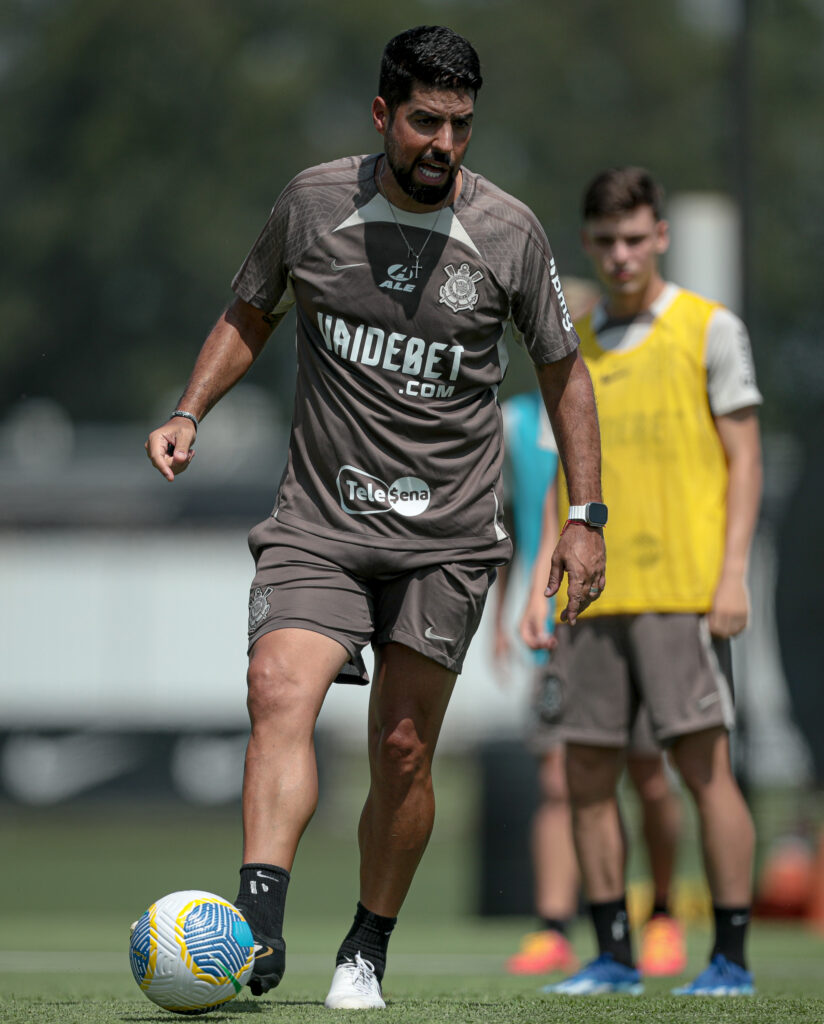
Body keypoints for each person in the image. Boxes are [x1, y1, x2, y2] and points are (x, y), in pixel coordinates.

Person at [145, 26, 606, 1010]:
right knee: (278, 689)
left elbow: (565, 375)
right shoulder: (314, 202)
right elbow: (250, 312)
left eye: (462, 125)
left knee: (401, 746)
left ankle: (365, 944)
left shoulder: (512, 231)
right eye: (426, 121)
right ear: (382, 115)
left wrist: (586, 514)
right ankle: (256, 926)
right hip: (319, 517)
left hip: (445, 536)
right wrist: (191, 410)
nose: (444, 142)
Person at [520, 166, 763, 997]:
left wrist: (731, 578)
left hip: (683, 592)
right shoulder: (571, 343)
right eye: (605, 241)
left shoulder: (709, 329)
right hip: (590, 602)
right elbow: (561, 481)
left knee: (702, 771)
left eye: (635, 238)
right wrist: (533, 590)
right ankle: (611, 954)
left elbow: (745, 461)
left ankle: (728, 956)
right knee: (585, 777)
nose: (621, 255)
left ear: (659, 235)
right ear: (586, 244)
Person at [497, 285, 686, 980]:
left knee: (647, 773)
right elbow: (526, 523)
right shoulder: (518, 421)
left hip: (642, 604)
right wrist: (514, 606)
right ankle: (555, 927)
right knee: (560, 774)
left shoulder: (623, 387)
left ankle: (662, 913)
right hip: (559, 614)